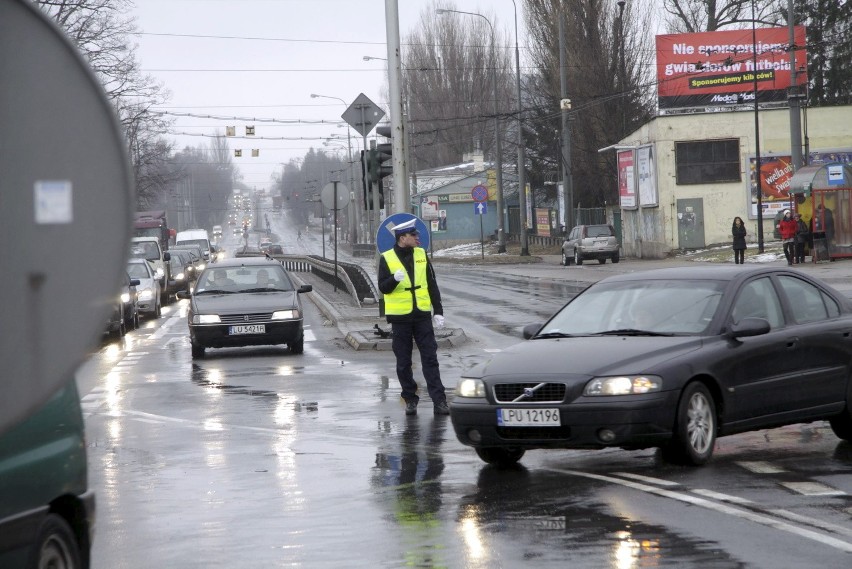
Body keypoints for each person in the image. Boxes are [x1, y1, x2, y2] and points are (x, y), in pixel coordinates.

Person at [378, 219, 449, 416]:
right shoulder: (387, 258)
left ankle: (439, 400)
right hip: (400, 319)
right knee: (403, 362)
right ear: (403, 238)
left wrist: (439, 311)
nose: (418, 238)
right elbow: (383, 287)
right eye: (414, 235)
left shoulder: (421, 255)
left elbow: (432, 284)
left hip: (422, 317)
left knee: (430, 359)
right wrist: (393, 279)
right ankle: (410, 398)